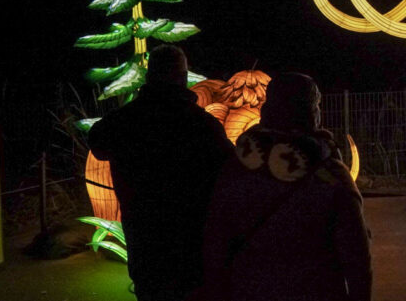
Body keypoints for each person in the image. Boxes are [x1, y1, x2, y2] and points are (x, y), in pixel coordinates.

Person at [200, 72, 372, 301]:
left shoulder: (237, 167)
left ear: (267, 111)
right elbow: (356, 257)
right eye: (317, 106)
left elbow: (216, 241)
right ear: (312, 114)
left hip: (248, 290)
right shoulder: (331, 176)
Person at [88, 45, 232, 301]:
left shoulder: (124, 121)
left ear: (149, 76)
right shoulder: (203, 125)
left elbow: (97, 142)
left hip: (143, 237)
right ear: (183, 78)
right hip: (190, 243)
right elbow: (229, 169)